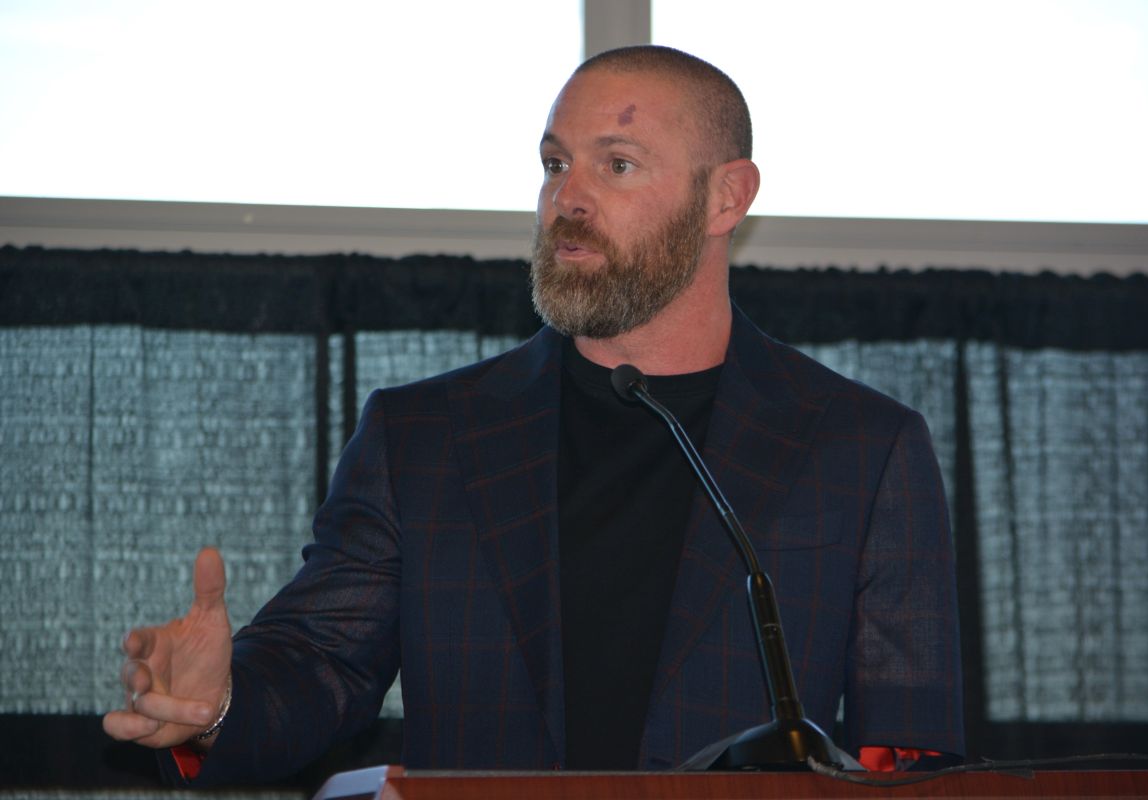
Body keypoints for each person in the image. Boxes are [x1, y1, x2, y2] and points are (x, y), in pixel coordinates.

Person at [103, 45, 964, 783]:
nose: (567, 200)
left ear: (726, 198)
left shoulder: (862, 447)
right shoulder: (423, 437)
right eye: (555, 165)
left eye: (616, 165)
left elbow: (909, 760)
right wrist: (217, 705)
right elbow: (321, 663)